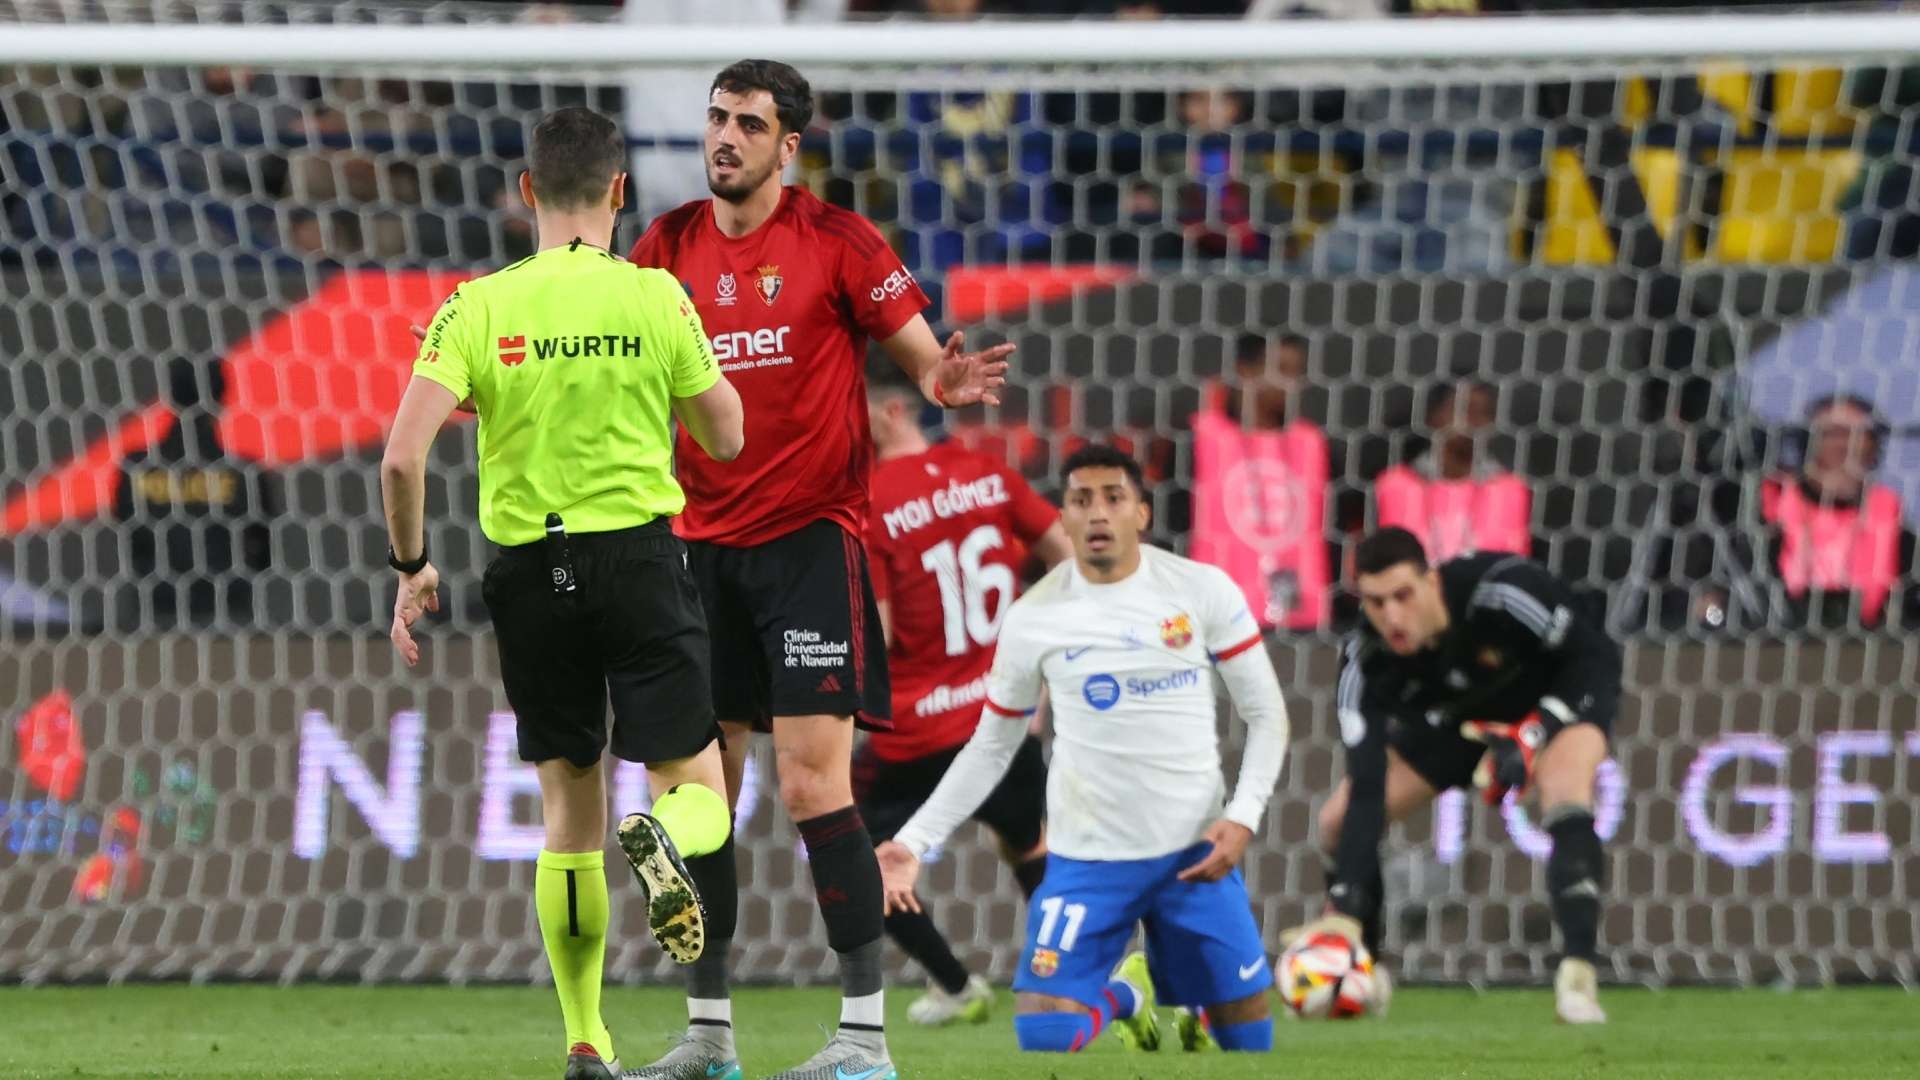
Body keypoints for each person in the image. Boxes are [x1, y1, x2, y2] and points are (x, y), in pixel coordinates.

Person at [623, 59, 1010, 1080]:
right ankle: (709, 1038)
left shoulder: (836, 240)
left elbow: (922, 354)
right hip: (697, 549)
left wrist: (944, 376)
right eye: (716, 118)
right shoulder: (663, 246)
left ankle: (864, 1042)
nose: (725, 137)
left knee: (810, 786)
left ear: (788, 147)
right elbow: (621, 362)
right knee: (706, 792)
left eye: (748, 124)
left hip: (807, 544)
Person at [380, 107, 741, 1080]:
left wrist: (411, 567)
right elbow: (729, 435)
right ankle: (662, 833)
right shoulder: (657, 298)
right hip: (636, 560)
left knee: (566, 809)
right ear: (620, 193)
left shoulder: (475, 307)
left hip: (528, 577)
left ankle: (585, 1039)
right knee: (698, 787)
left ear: (526, 193)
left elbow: (402, 458)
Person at [875, 444, 1292, 1056]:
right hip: (1086, 860)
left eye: (1113, 498)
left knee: (1247, 1040)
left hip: (1196, 850)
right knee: (1045, 1033)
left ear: (1142, 514)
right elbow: (992, 745)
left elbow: (1267, 715)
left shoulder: (1200, 590)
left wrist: (1242, 817)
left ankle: (1187, 991)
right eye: (1081, 500)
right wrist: (912, 842)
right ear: (1063, 517)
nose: (1097, 513)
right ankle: (1128, 994)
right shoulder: (1033, 617)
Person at [1311, 526, 1617, 1025]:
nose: (1391, 616)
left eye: (1403, 596)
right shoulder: (1363, 659)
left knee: (1565, 789)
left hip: (1549, 704)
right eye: (1375, 602)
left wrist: (1537, 732)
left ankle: (1578, 978)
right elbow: (1367, 783)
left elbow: (1595, 658)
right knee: (1338, 821)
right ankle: (1363, 966)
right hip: (1455, 726)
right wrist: (1343, 905)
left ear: (1432, 581)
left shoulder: (1500, 592)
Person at [860, 367, 1073, 1027]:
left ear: (892, 409)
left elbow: (883, 634)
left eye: (853, 406)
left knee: (853, 858)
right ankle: (1066, 980)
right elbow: (1066, 558)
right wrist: (1036, 659)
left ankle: (954, 986)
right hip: (1000, 717)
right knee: (1028, 845)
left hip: (915, 734)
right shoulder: (986, 472)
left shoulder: (869, 500)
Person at [1371, 379, 1531, 563]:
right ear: (1433, 417)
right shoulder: (1397, 484)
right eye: (1465, 410)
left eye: (1484, 414)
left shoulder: (1508, 489)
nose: (1474, 422)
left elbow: (1514, 563)